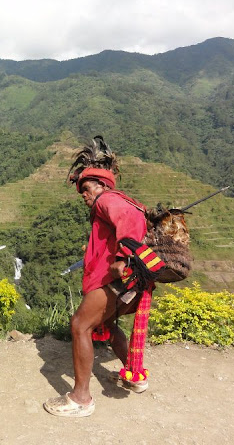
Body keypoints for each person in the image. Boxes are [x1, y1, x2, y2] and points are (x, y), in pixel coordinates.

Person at [44, 139, 162, 418]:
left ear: (101, 185)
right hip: (127, 281)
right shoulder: (117, 200)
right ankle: (135, 376)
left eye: (86, 188)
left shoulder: (108, 200)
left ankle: (80, 399)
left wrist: (122, 257)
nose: (84, 195)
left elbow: (129, 220)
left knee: (80, 325)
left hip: (112, 280)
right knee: (107, 324)